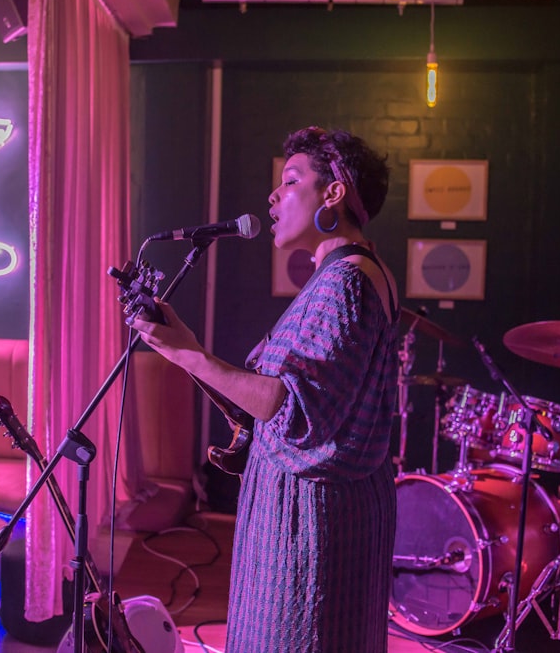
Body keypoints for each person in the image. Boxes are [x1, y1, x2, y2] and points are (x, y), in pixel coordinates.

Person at [131, 126, 399, 652]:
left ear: (334, 191)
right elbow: (278, 402)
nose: (273, 196)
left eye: (291, 179)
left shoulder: (344, 281)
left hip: (312, 519)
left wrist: (189, 355)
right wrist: (183, 346)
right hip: (325, 507)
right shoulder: (347, 275)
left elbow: (292, 408)